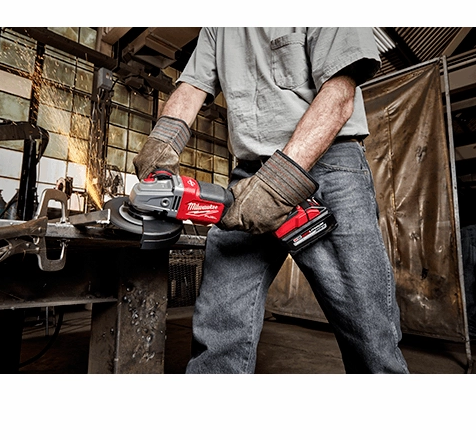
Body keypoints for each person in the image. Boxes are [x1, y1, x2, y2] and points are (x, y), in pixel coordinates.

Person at [134, 28, 409, 374]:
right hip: (249, 177)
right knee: (220, 319)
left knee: (367, 328)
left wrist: (279, 182)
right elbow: (191, 87)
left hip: (326, 166)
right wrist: (162, 142)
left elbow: (339, 95)